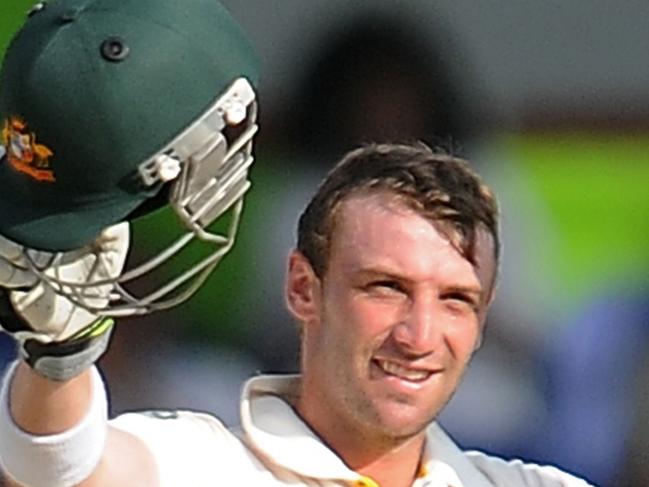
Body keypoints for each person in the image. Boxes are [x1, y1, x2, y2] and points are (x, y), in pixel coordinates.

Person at [0, 4, 594, 487]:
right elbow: (56, 468)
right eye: (385, 287)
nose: (418, 336)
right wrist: (59, 359)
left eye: (456, 300)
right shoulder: (198, 463)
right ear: (303, 289)